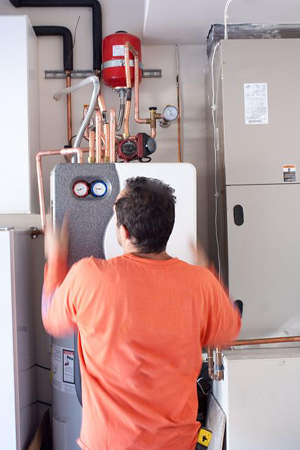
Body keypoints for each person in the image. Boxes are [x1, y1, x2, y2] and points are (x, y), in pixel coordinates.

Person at [42, 176, 241, 450]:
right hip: (176, 443)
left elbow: (52, 319)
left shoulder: (88, 276)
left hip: (108, 443)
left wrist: (54, 258)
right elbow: (229, 331)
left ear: (123, 231)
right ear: (168, 227)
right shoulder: (201, 282)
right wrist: (208, 269)